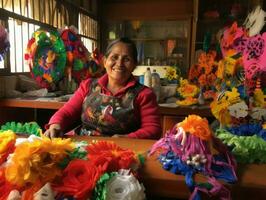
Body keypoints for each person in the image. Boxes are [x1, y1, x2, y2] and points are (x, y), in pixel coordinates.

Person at [44, 37, 161, 139]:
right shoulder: (88, 86)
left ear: (134, 65)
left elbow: (153, 129)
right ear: (105, 62)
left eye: (126, 59)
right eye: (114, 57)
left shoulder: (144, 94)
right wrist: (55, 124)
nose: (119, 63)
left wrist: (126, 138)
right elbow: (68, 112)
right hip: (83, 145)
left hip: (122, 150)